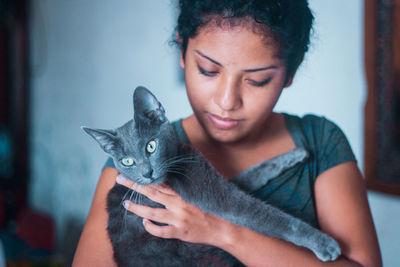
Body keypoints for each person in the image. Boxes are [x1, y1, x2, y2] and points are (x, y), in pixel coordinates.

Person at [72, 0, 382, 266]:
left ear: (291, 72)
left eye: (257, 79)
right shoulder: (130, 165)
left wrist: (222, 232)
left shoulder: (320, 141)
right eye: (208, 70)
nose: (226, 102)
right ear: (182, 50)